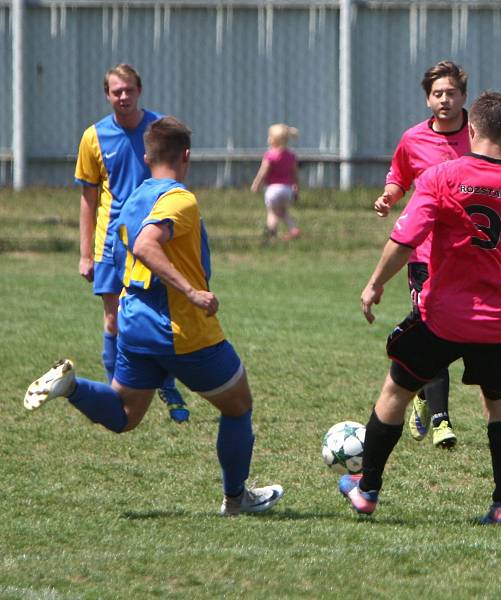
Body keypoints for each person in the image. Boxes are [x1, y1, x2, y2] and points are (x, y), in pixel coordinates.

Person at [25, 116, 284, 516]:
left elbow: (118, 254)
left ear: (146, 156)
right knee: (238, 406)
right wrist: (192, 291)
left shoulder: (131, 198)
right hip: (181, 329)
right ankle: (236, 500)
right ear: (186, 156)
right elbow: (147, 245)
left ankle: (72, 386)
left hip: (135, 325)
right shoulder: (180, 199)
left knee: (125, 415)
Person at [339, 91, 501, 524]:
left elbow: (404, 240)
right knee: (498, 401)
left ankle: (366, 489)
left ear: (473, 129)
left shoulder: (442, 177)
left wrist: (374, 284)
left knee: (396, 392)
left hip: (442, 317)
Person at [375, 60, 501, 449]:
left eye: (451, 93)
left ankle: (419, 391)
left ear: (464, 96)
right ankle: (441, 420)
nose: (444, 99)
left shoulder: (482, 135)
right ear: (428, 100)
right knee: (431, 327)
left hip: (474, 257)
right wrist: (389, 196)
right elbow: (399, 177)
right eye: (437, 94)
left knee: (466, 335)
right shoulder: (412, 139)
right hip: (426, 254)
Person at [74, 63, 189, 422]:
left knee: (159, 316)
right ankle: (114, 393)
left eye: (128, 90)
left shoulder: (158, 130)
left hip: (153, 239)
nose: (123, 97)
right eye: (115, 91)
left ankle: (167, 382)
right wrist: (84, 254)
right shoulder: (93, 137)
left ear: (139, 90)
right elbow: (88, 199)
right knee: (114, 321)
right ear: (107, 95)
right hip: (112, 243)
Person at [250, 124, 300, 241]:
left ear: (273, 140)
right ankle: (293, 229)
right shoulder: (291, 156)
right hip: (287, 190)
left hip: (273, 189)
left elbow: (263, 172)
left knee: (272, 212)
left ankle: (271, 231)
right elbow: (295, 174)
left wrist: (256, 184)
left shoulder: (270, 155)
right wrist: (297, 188)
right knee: (283, 211)